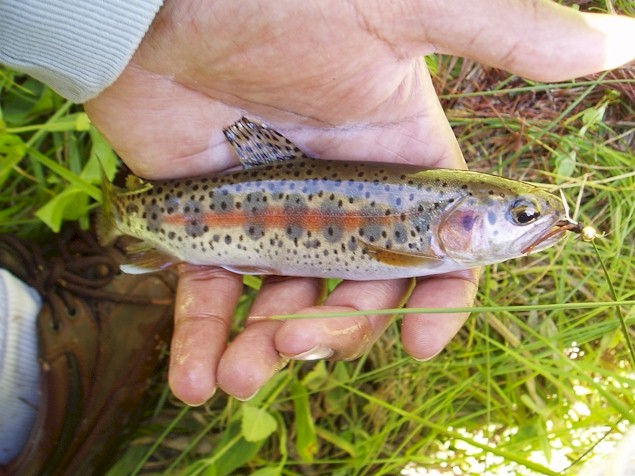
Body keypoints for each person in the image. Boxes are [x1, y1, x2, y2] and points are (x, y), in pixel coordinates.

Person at [1, 0, 634, 472]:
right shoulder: (410, 244)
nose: (538, 225)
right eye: (522, 216)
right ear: (463, 216)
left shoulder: (424, 218)